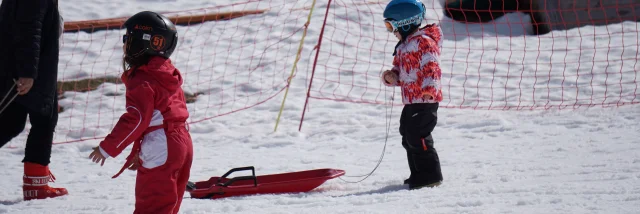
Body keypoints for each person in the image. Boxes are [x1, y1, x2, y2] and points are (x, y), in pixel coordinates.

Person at [87, 11, 193, 214]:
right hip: (182, 142)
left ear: (145, 43)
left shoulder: (142, 79)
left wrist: (108, 147)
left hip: (161, 144)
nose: (125, 45)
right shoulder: (166, 72)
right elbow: (159, 116)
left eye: (129, 39)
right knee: (167, 205)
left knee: (152, 205)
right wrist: (138, 150)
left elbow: (137, 119)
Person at [0, 0, 68, 200]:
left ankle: (36, 184)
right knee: (38, 120)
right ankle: (36, 187)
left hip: (32, 65)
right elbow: (29, 29)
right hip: (27, 69)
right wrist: (28, 72)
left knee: (19, 122)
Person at [381, 0, 444, 190]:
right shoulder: (403, 46)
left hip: (425, 100)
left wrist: (429, 89)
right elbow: (400, 71)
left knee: (419, 136)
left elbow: (431, 67)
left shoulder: (424, 42)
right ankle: (417, 173)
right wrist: (391, 76)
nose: (391, 31)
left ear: (406, 23)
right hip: (410, 101)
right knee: (407, 136)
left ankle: (430, 175)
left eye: (391, 26)